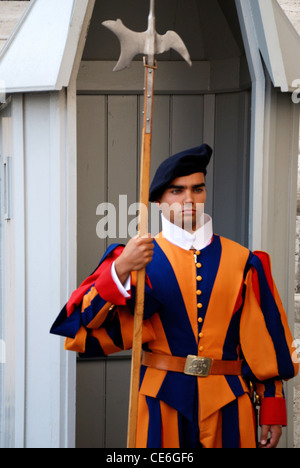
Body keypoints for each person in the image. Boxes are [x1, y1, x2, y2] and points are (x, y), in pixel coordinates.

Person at [51, 144, 299, 449]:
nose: (189, 200)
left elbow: (267, 343)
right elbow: (82, 325)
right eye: (176, 191)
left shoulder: (246, 262)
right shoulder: (135, 260)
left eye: (197, 189)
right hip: (161, 403)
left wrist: (272, 409)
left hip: (230, 403)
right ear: (158, 200)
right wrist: (121, 268)